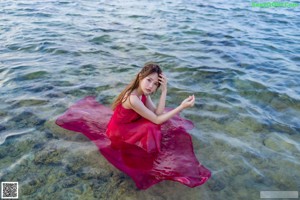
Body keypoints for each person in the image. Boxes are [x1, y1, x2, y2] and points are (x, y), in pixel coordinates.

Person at [56, 62, 211, 190]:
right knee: (152, 126)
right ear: (140, 76)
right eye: (149, 80)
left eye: (155, 83)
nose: (151, 86)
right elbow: (157, 119)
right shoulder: (133, 98)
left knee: (158, 122)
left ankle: (147, 146)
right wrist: (181, 107)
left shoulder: (143, 93)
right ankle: (148, 153)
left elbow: (157, 111)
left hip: (129, 125)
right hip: (118, 132)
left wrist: (164, 90)